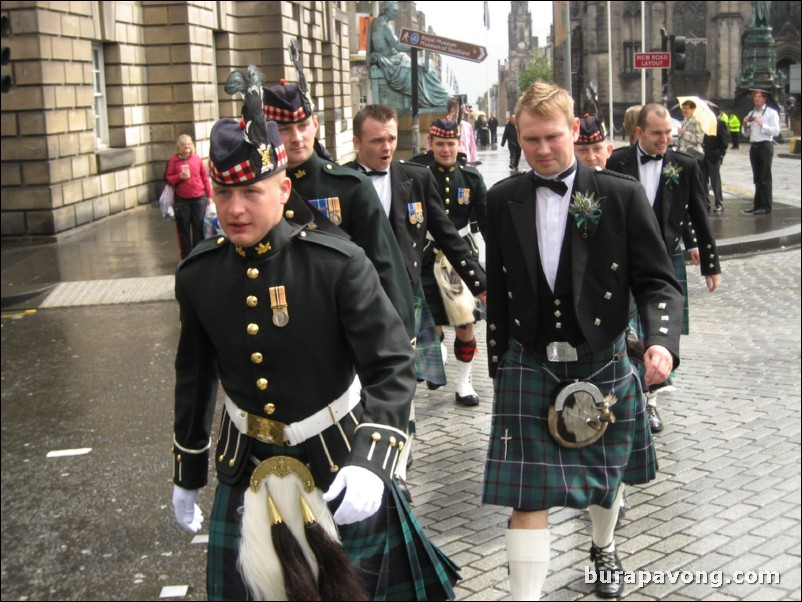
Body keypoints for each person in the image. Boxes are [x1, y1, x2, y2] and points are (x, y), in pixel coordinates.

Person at [170, 75, 459, 600]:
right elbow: (194, 377)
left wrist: (375, 459)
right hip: (246, 466)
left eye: (251, 192)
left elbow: (391, 366)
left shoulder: (336, 264)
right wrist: (188, 468)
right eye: (225, 193)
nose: (235, 209)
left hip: (337, 457)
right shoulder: (197, 274)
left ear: (283, 190)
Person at [482, 80, 684, 601]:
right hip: (529, 360)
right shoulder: (502, 199)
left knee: (605, 475)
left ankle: (603, 545)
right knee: (527, 495)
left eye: (552, 136)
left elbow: (658, 280)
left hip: (601, 357)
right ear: (517, 137)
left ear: (574, 129)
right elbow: (499, 287)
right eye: (530, 140)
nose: (542, 150)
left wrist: (661, 341)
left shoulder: (619, 195)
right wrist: (499, 359)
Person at [346, 104, 488, 491]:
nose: (387, 146)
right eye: (377, 140)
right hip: (354, 301)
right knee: (359, 385)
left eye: (391, 138)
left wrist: (480, 283)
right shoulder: (340, 183)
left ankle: (399, 471)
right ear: (357, 141)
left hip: (404, 295)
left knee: (402, 385)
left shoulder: (415, 178)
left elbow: (445, 232)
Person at [262, 78, 415, 338]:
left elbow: (383, 263)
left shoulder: (351, 186)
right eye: (285, 129)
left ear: (316, 125)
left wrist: (400, 336)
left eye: (303, 125)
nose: (297, 138)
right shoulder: (258, 191)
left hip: (343, 328)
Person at [607, 103, 722, 432]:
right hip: (624, 258)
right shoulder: (618, 161)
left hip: (663, 257)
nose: (665, 139)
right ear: (639, 132)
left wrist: (709, 263)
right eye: (657, 133)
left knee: (656, 331)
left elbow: (699, 214)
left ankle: (651, 402)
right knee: (628, 332)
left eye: (669, 133)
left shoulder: (685, 165)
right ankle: (632, 397)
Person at [410, 119, 488, 407]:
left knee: (464, 322)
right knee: (434, 321)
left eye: (451, 143)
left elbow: (487, 224)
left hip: (459, 259)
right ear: (430, 144)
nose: (446, 149)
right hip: (427, 255)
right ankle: (434, 355)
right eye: (440, 143)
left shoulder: (471, 179)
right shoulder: (418, 173)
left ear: (459, 144)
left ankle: (464, 383)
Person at [368, 0, 450, 108]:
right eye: (394, 10)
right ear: (386, 10)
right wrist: (417, 48)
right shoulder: (385, 27)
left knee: (427, 64)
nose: (396, 13)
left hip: (394, 59)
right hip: (392, 62)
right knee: (423, 70)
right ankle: (438, 98)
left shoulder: (375, 22)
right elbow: (398, 46)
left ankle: (439, 95)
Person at [165, 134, 213, 259]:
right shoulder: (173, 161)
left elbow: (205, 178)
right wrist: (179, 177)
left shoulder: (197, 159)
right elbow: (168, 179)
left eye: (189, 144)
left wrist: (210, 196)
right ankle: (186, 256)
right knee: (183, 229)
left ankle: (198, 254)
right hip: (182, 200)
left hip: (199, 199)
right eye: (184, 144)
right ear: (179, 147)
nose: (187, 147)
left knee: (198, 228)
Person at [742, 88, 780, 215]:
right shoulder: (751, 112)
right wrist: (745, 124)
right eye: (755, 97)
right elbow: (746, 134)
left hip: (765, 146)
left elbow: (776, 131)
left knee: (765, 177)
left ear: (764, 99)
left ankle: (766, 206)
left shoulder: (771, 113)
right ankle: (757, 205)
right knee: (757, 177)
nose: (756, 99)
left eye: (759, 97)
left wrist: (762, 124)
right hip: (754, 147)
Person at [702, 109, 730, 213]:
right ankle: (706, 203)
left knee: (715, 180)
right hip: (704, 155)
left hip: (714, 156)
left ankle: (719, 203)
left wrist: (720, 154)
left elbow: (724, 141)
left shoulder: (720, 123)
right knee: (703, 180)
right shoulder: (704, 123)